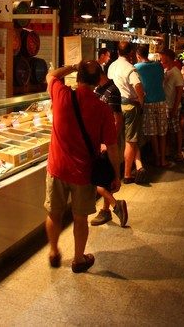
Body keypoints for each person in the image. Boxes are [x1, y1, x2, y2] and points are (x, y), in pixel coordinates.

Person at [44, 60, 120, 272]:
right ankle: (78, 259)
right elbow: (112, 147)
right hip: (84, 173)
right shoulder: (103, 108)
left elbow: (51, 75)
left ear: (78, 79)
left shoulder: (61, 94)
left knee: (53, 213)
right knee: (80, 218)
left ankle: (53, 251)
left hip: (57, 168)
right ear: (97, 81)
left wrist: (71, 67)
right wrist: (116, 174)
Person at [90, 60, 128, 229]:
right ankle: (106, 209)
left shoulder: (112, 91)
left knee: (96, 179)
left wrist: (109, 142)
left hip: (106, 143)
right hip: (100, 141)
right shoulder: (99, 89)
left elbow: (117, 119)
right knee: (105, 179)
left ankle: (113, 205)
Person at [108, 41, 146, 184]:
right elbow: (138, 86)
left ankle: (115, 172)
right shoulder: (130, 68)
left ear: (117, 52)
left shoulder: (111, 66)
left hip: (114, 106)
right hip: (129, 106)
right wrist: (141, 101)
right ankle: (127, 174)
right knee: (131, 140)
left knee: (116, 140)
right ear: (131, 53)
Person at [135, 44, 169, 167]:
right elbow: (162, 80)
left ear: (138, 56)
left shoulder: (136, 67)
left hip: (148, 102)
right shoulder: (158, 65)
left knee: (153, 133)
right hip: (161, 100)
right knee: (162, 132)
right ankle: (163, 160)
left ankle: (156, 158)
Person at [161, 51, 184, 161]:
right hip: (166, 105)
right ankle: (169, 151)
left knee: (176, 129)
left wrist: (175, 108)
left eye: (163, 56)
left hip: (172, 106)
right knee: (168, 130)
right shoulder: (166, 70)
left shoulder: (176, 72)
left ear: (169, 58)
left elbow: (179, 91)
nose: (161, 58)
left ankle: (179, 152)